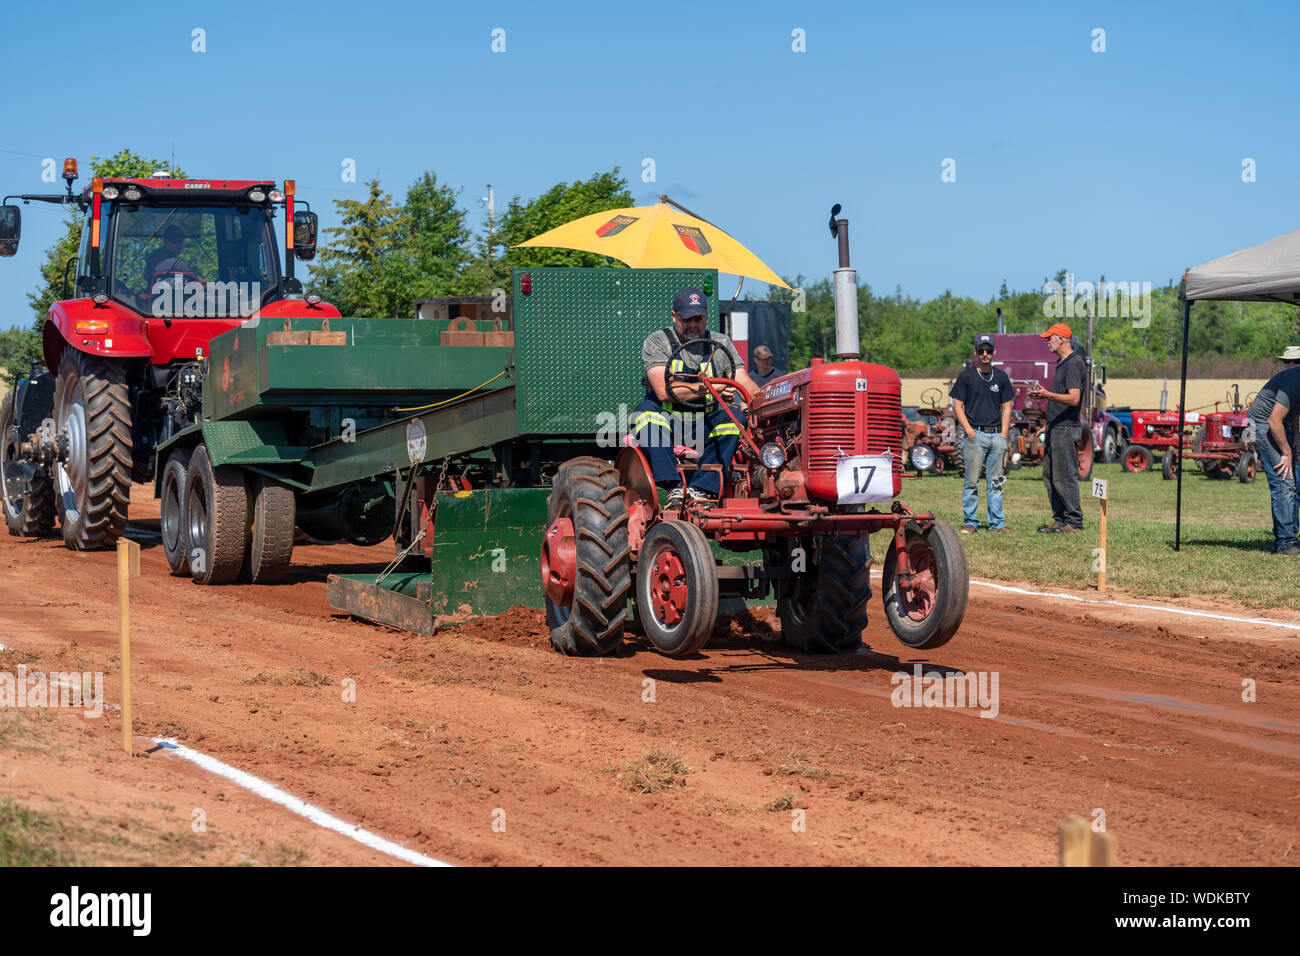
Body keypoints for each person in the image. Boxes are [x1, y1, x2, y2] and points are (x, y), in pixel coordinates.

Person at [633, 288, 759, 510]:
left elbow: (743, 382)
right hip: (668, 419)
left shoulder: (720, 343)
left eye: (699, 319)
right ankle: (672, 486)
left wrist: (765, 401)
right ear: (674, 316)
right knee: (647, 417)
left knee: (735, 419)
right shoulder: (657, 342)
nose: (693, 324)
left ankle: (702, 489)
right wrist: (715, 387)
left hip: (704, 421)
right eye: (687, 318)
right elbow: (664, 391)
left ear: (706, 318)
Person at [950, 333, 1015, 533]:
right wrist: (969, 431)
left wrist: (1003, 434)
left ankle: (997, 523)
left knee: (996, 482)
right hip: (975, 436)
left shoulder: (1002, 377)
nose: (985, 354)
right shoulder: (966, 377)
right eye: (981, 350)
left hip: (996, 436)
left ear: (994, 352)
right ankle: (971, 522)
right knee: (971, 482)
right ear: (975, 352)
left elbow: (1007, 406)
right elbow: (957, 404)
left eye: (988, 350)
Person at [1028, 323, 1085, 533]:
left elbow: (1074, 398)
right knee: (1050, 477)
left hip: (1066, 428)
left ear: (1061, 339)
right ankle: (1060, 521)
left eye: (1049, 338)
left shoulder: (1073, 364)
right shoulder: (1061, 363)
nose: (1047, 341)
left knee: (1064, 477)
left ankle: (1074, 522)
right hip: (1056, 427)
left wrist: (1047, 395)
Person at [1246, 350, 1300, 555]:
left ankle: (1287, 537)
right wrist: (1286, 452)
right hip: (1261, 424)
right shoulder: (1294, 380)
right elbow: (1274, 420)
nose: (1291, 363)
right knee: (1283, 479)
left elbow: (1295, 410)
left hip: (1279, 424)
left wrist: (1295, 435)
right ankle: (1285, 542)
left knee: (1293, 480)